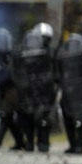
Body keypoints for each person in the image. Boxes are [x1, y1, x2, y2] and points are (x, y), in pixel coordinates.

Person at [14, 23, 56, 152]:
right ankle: (31, 142)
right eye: (43, 38)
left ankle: (43, 142)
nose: (44, 41)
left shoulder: (49, 52)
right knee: (27, 116)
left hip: (43, 89)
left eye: (46, 38)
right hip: (30, 89)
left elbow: (54, 69)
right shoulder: (22, 51)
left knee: (44, 116)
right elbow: (16, 69)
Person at [56, 33, 82, 154]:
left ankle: (75, 145)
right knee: (77, 120)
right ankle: (77, 145)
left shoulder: (63, 54)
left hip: (70, 93)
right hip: (78, 93)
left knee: (71, 119)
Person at [0, 28, 25, 150]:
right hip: (4, 88)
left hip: (14, 88)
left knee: (7, 116)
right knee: (7, 117)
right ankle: (19, 142)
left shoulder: (14, 55)